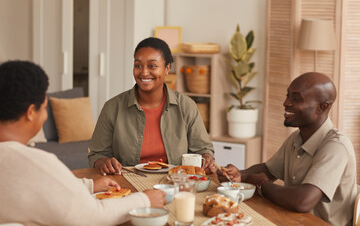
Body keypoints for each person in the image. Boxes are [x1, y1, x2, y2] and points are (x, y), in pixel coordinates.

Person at [0, 60, 165, 225]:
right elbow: (92, 216)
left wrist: (89, 185)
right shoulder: (35, 162)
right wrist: (145, 200)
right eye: (43, 108)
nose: (45, 116)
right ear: (30, 113)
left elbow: (40, 186)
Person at [211, 72, 357, 226]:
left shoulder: (336, 146)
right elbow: (268, 170)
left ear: (322, 107)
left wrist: (262, 185)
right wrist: (239, 175)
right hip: (292, 220)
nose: (286, 103)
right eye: (287, 96)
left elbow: (303, 201)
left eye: (296, 99)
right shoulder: (296, 138)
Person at [89, 37, 214, 175]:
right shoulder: (112, 108)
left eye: (152, 66)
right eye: (138, 65)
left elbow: (203, 150)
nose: (144, 72)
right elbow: (97, 155)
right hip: (126, 185)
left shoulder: (186, 106)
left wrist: (207, 159)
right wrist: (104, 163)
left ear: (167, 69)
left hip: (175, 184)